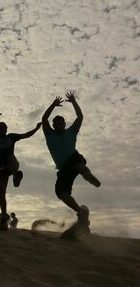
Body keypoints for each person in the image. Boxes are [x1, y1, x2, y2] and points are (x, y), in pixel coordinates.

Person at [42, 92, 101, 227]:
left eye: (60, 123)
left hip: (73, 158)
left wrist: (74, 102)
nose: (58, 126)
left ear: (64, 124)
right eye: (56, 124)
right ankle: (81, 212)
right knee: (61, 193)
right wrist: (53, 105)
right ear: (53, 125)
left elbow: (80, 117)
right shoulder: (49, 134)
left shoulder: (71, 131)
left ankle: (88, 175)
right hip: (63, 168)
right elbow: (44, 119)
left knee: (78, 166)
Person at [0, 121, 42, 230]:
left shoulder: (12, 137)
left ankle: (15, 175)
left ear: (7, 129)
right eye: (0, 127)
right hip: (0, 168)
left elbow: (25, 135)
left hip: (10, 165)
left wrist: (36, 129)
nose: (2, 128)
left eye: (4, 127)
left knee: (11, 157)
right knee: (1, 194)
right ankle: (4, 219)